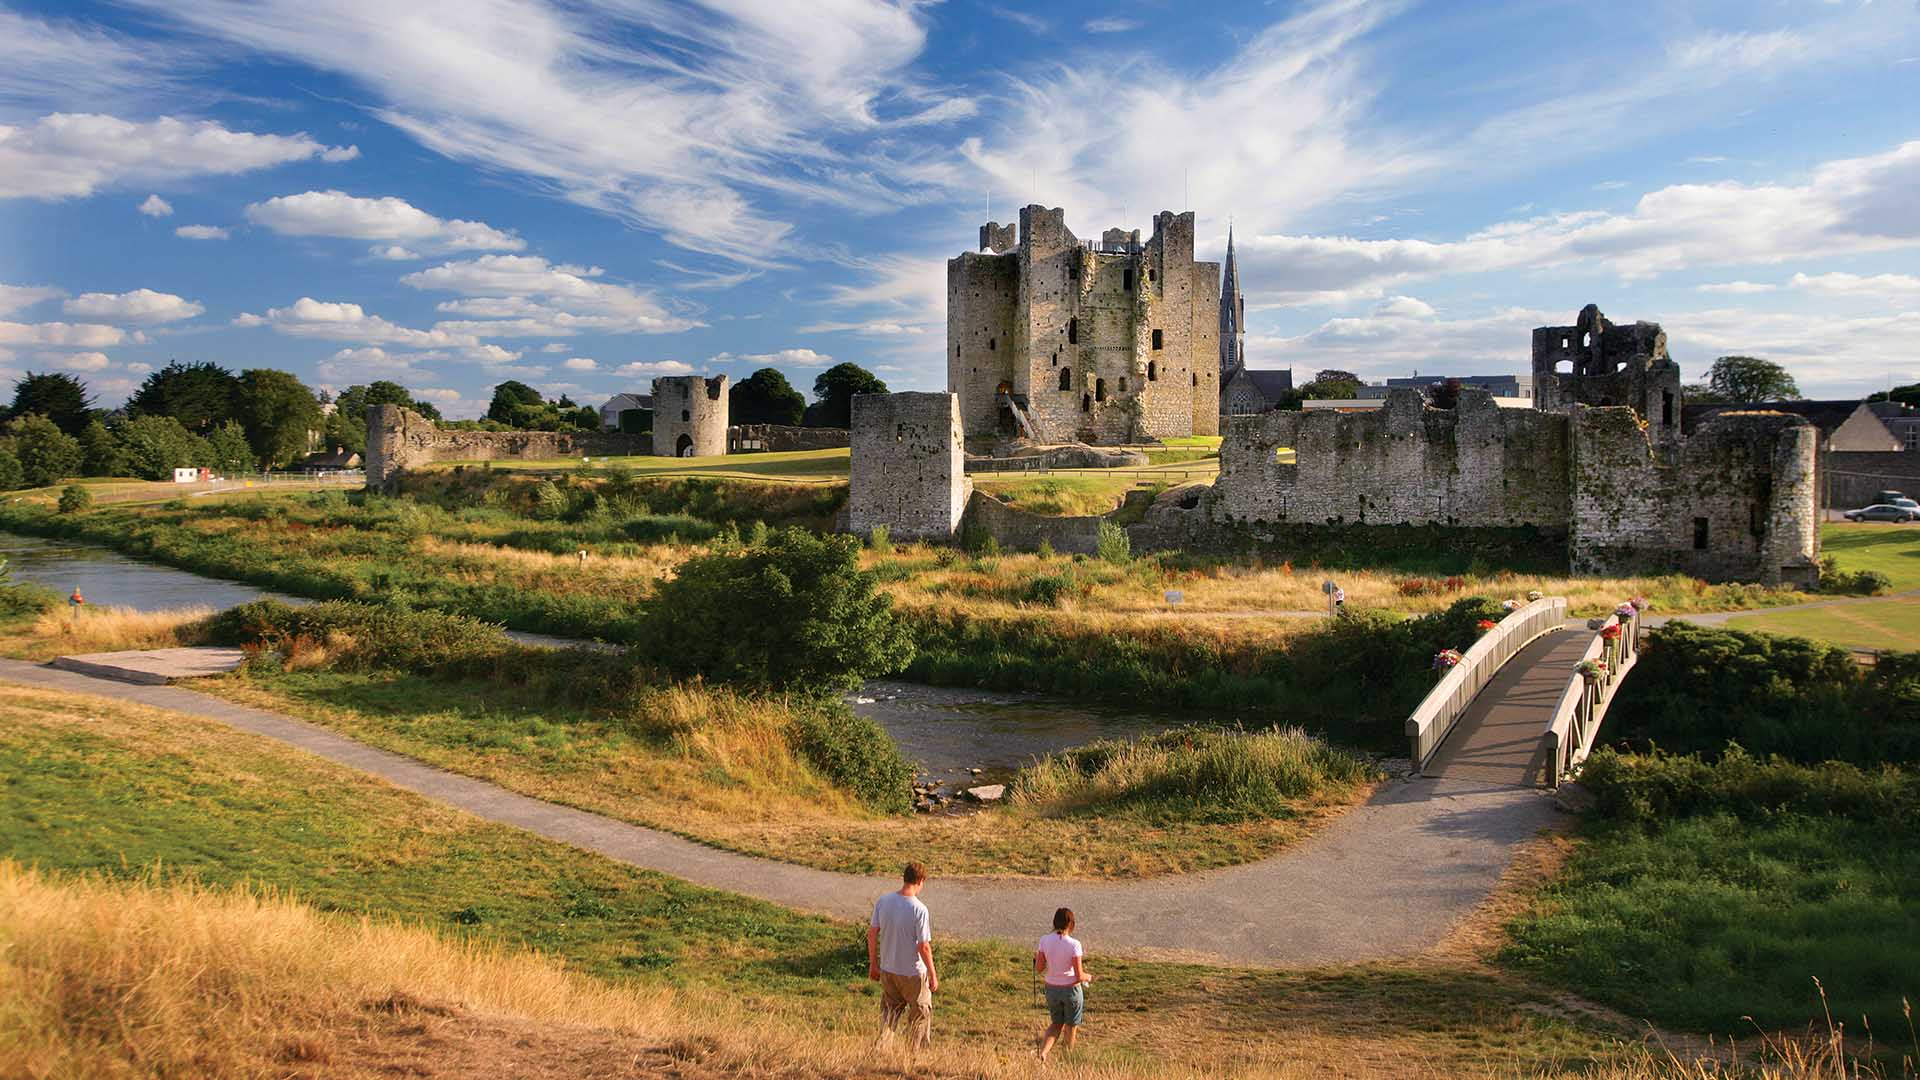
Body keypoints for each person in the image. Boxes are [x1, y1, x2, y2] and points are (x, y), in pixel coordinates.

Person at [868, 861, 937, 1050]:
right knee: (921, 1014)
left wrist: (873, 963)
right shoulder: (919, 910)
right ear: (921, 881)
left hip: (888, 970)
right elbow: (924, 946)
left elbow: (872, 932)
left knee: (889, 1016)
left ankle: (880, 1050)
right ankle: (913, 1055)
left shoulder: (884, 901)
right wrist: (932, 973)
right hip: (912, 974)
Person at [1034, 907, 1092, 1062]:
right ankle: (1067, 1058)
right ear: (1071, 924)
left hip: (1052, 988)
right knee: (1071, 1026)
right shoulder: (1074, 944)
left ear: (1054, 922)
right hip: (1070, 990)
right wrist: (1089, 977)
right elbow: (1079, 975)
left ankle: (1044, 1053)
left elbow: (1039, 969)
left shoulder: (1044, 940)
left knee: (1056, 1024)